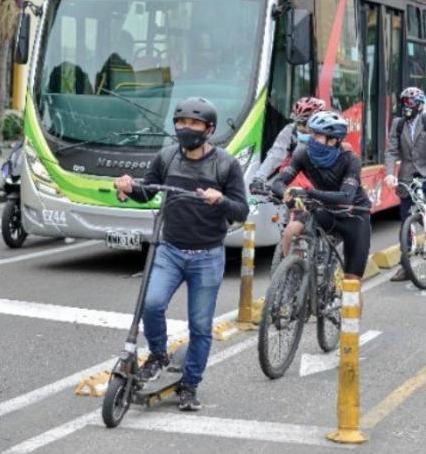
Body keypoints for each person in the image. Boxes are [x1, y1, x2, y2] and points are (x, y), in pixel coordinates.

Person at [114, 97, 248, 412]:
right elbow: (148, 190)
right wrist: (128, 188)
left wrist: (222, 200)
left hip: (207, 256)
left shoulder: (226, 164)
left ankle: (190, 385)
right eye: (181, 122)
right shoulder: (166, 158)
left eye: (194, 123)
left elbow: (242, 209)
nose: (186, 128)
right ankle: (158, 354)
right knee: (152, 303)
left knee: (200, 326)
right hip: (169, 250)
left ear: (209, 129)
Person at [269, 111, 372, 283]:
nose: (311, 139)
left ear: (333, 140)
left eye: (317, 135)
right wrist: (286, 193)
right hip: (323, 209)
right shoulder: (303, 153)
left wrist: (308, 192)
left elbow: (345, 197)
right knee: (291, 231)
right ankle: (292, 277)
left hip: (354, 216)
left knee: (352, 282)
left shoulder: (350, 160)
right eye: (311, 133)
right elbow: (278, 183)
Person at [384, 87, 426, 281]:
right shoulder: (397, 124)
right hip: (406, 177)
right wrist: (389, 174)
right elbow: (391, 152)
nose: (406, 107)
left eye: (410, 103)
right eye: (403, 103)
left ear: (420, 105)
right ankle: (405, 266)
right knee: (405, 220)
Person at [250, 97, 326, 191]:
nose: (300, 127)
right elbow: (275, 154)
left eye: (304, 123)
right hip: (293, 183)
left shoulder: (328, 135)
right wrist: (259, 178)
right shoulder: (290, 130)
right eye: (298, 122)